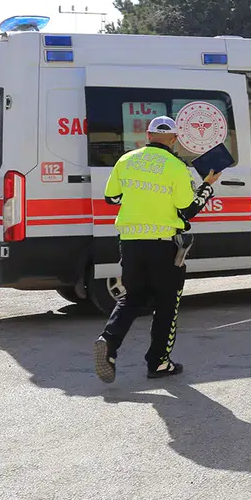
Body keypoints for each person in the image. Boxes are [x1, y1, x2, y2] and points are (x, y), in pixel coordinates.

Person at [93, 116, 222, 383]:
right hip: (163, 244)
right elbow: (188, 209)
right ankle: (159, 362)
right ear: (174, 139)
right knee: (166, 304)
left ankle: (109, 342)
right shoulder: (176, 167)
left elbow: (111, 197)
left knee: (131, 297)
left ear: (148, 135)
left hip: (129, 242)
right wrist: (208, 186)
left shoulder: (126, 160)